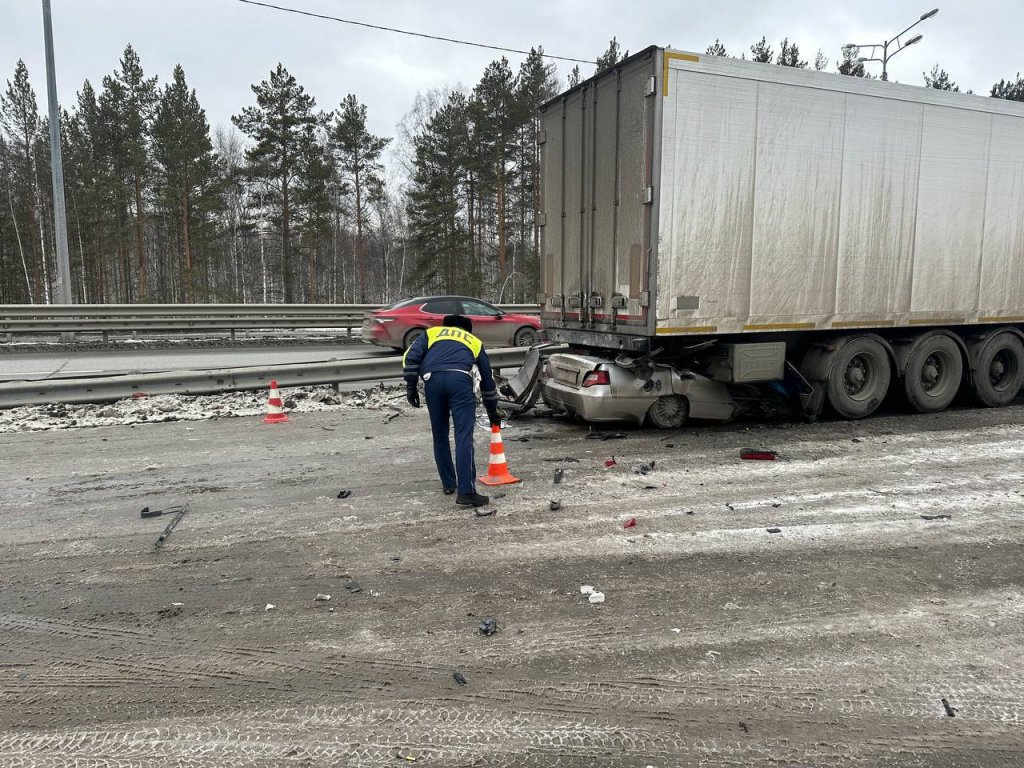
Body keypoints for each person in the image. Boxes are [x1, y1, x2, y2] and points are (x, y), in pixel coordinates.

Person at [403, 314, 502, 507]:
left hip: (432, 381)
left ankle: (449, 483)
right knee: (463, 436)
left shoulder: (431, 333)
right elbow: (487, 380)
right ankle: (466, 491)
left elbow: (410, 357)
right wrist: (492, 411)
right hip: (460, 381)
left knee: (439, 434)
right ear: (467, 329)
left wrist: (411, 387)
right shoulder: (473, 341)